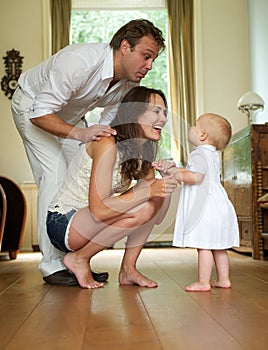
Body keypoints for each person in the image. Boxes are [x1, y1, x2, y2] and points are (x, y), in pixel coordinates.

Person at [11, 19, 165, 286]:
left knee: (81, 183)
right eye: (146, 56)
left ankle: (78, 258)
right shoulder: (79, 60)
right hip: (34, 108)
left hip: (71, 118)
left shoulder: (126, 85)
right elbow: (40, 113)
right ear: (125, 46)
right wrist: (81, 134)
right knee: (56, 175)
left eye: (153, 59)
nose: (149, 66)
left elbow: (110, 128)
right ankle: (52, 264)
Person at [46, 86, 177, 289]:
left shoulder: (143, 154)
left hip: (90, 222)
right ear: (135, 113)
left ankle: (128, 270)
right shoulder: (107, 143)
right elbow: (98, 210)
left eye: (165, 113)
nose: (163, 119)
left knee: (147, 202)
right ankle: (79, 259)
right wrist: (146, 191)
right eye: (156, 111)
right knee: (144, 198)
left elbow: (156, 217)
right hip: (64, 222)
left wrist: (166, 180)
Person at [152, 113, 240, 292]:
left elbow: (196, 177)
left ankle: (203, 281)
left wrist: (175, 174)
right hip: (219, 204)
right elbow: (194, 172)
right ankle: (224, 279)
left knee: (204, 245)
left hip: (206, 208)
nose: (191, 127)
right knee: (219, 246)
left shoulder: (198, 153)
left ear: (202, 135)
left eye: (194, 124)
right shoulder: (211, 154)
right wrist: (176, 170)